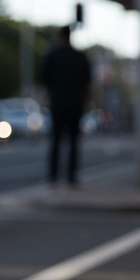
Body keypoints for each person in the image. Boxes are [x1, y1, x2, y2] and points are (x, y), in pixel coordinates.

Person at [43, 26, 91, 186]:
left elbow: (45, 81)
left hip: (58, 105)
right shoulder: (79, 57)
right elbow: (87, 83)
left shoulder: (53, 57)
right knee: (73, 142)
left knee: (56, 141)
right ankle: (71, 176)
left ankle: (53, 176)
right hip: (75, 105)